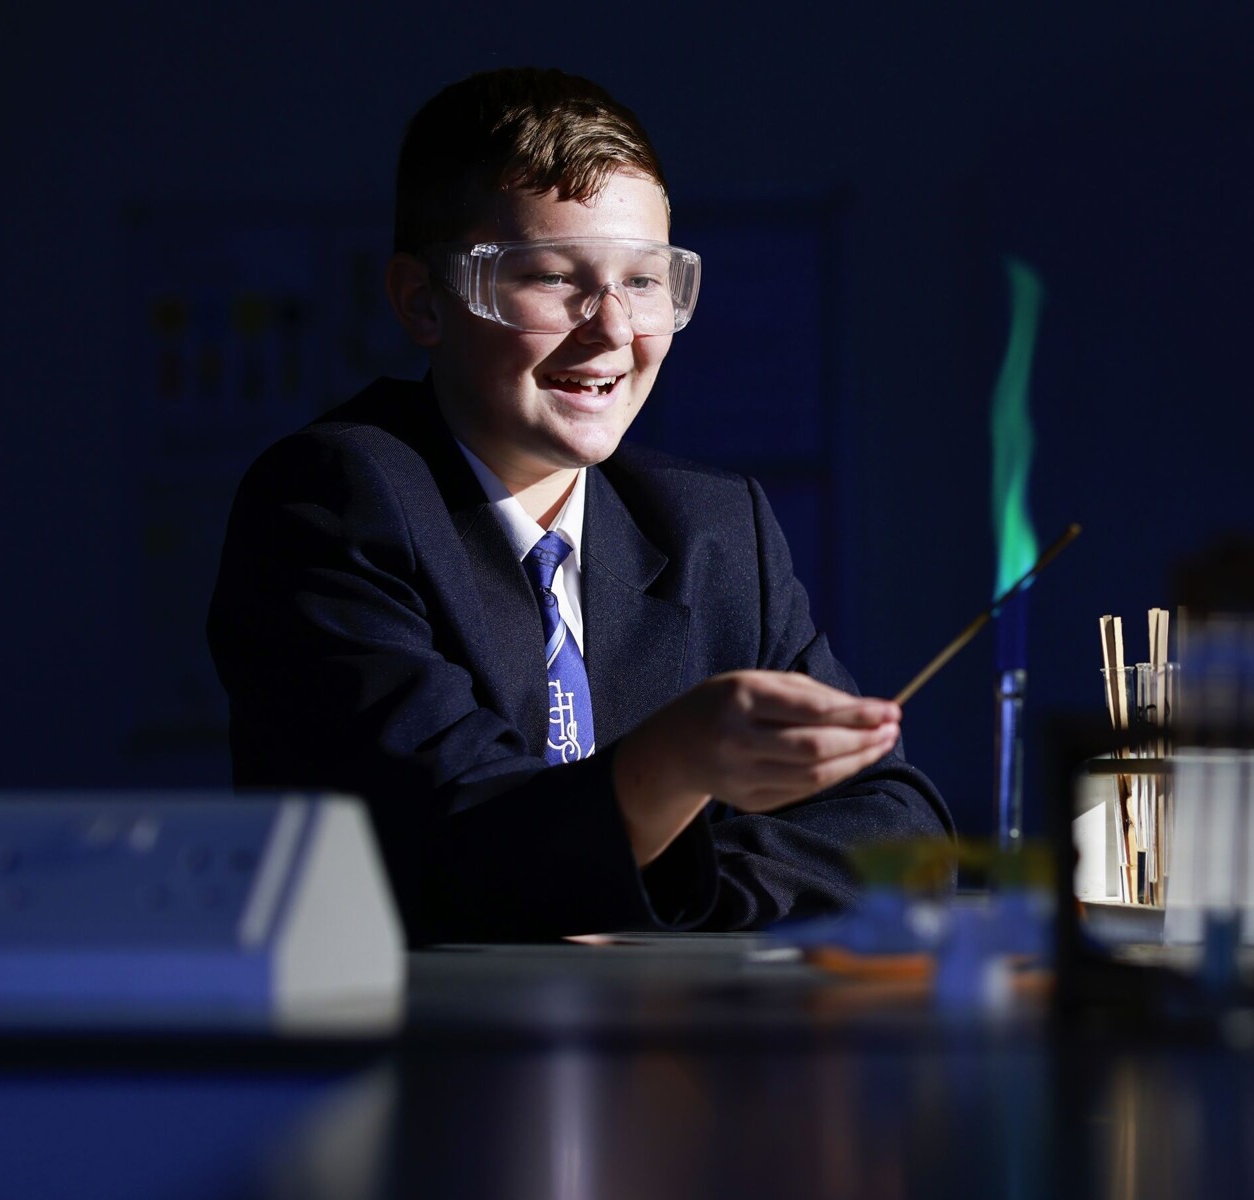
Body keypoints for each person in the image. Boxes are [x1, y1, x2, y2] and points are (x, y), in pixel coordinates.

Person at [208, 67, 951, 944]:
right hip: (428, 1064)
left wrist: (675, 895)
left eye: (644, 281)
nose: (611, 329)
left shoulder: (715, 529)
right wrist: (674, 768)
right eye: (554, 278)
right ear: (422, 302)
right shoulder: (334, 502)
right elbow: (451, 840)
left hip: (670, 1065)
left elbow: (894, 824)